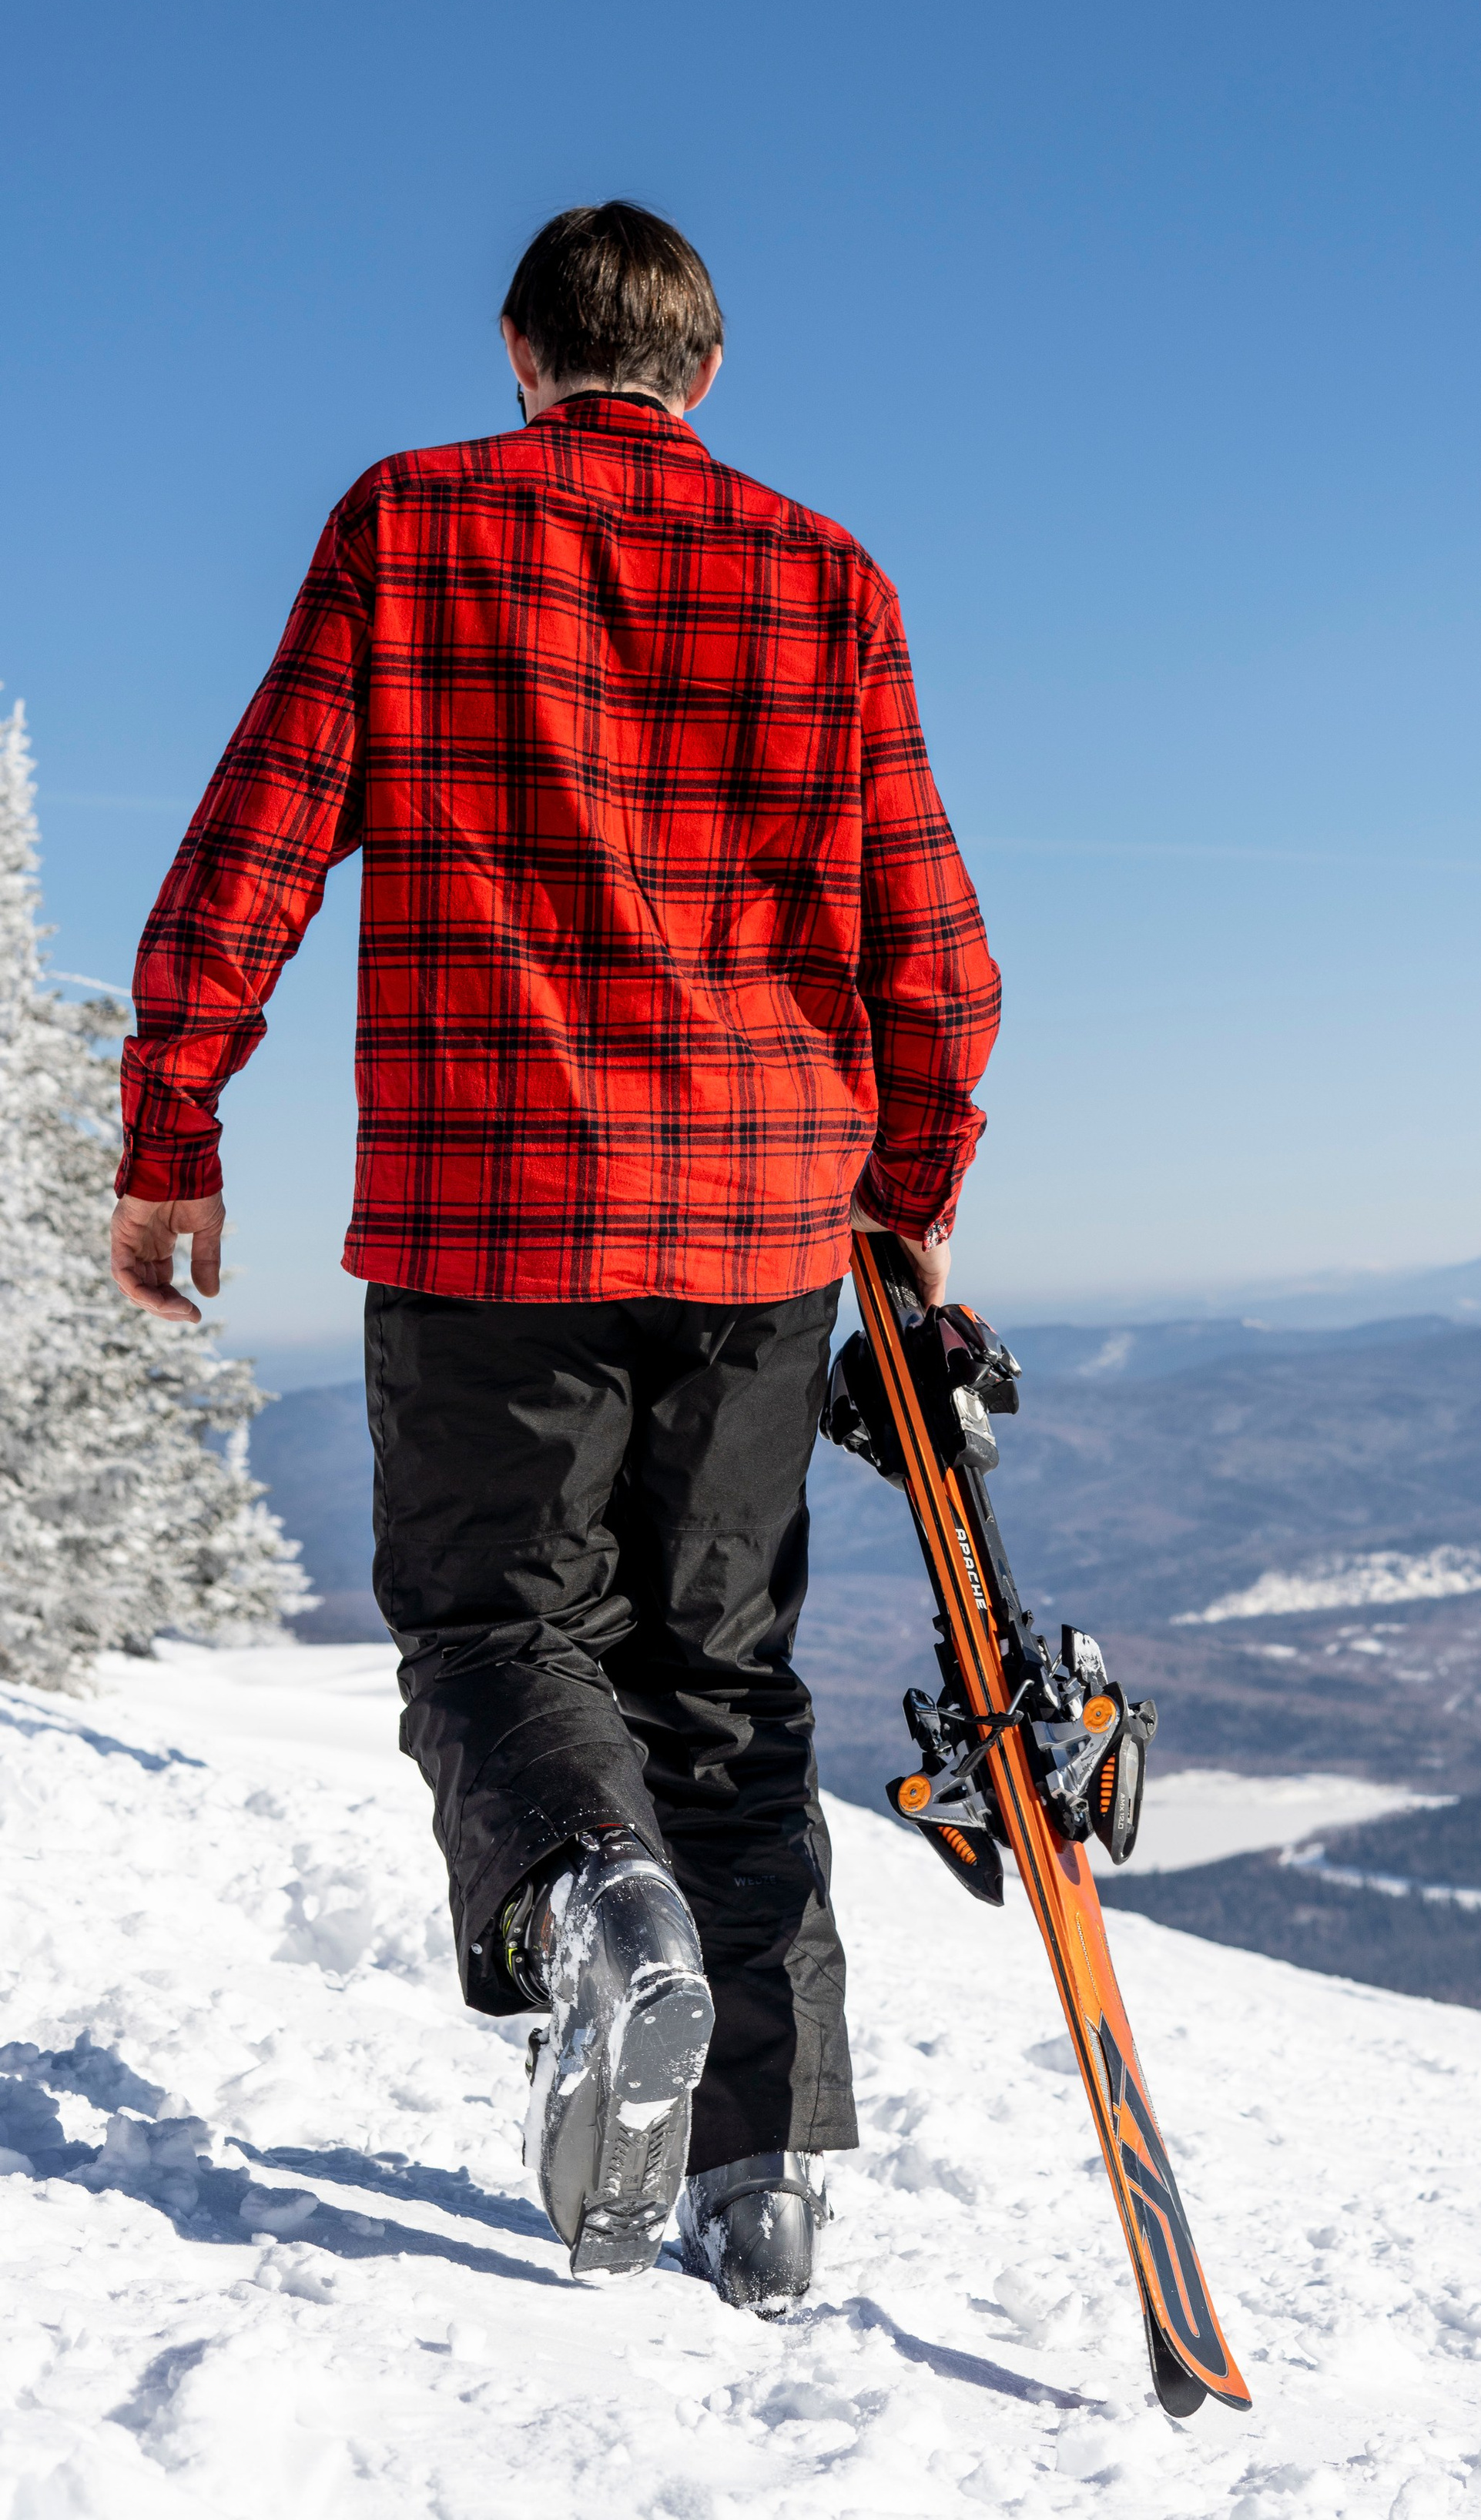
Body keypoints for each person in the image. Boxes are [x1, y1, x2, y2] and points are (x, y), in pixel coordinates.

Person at [106, 202, 1000, 2310]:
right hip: (761, 1230)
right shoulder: (830, 579)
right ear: (707, 369)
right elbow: (935, 953)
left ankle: (598, 1899)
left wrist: (173, 1126)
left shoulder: (409, 526)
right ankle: (761, 2184)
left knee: (501, 1625)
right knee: (725, 1680)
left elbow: (254, 842)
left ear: (521, 350)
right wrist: (911, 1190)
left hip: (486, 1208)